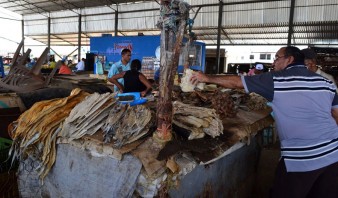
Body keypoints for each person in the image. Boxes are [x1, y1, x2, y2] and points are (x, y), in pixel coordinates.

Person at [191, 46, 338, 198]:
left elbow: (237, 82)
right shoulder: (325, 82)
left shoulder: (276, 79)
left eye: (277, 58)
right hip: (334, 154)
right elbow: (336, 114)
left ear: (289, 59)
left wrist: (207, 78)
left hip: (301, 158)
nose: (273, 63)